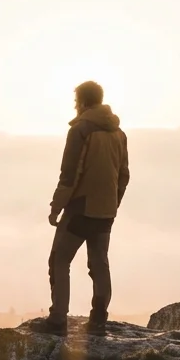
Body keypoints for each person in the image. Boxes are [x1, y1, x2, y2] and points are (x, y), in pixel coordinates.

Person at [31, 80, 130, 336]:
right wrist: (113, 203)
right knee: (99, 264)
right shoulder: (119, 133)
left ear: (83, 102)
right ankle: (98, 321)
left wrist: (56, 207)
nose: (75, 106)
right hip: (106, 211)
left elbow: (69, 175)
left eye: (76, 102)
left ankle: (57, 320)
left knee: (59, 260)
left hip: (79, 209)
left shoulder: (80, 130)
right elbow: (123, 175)